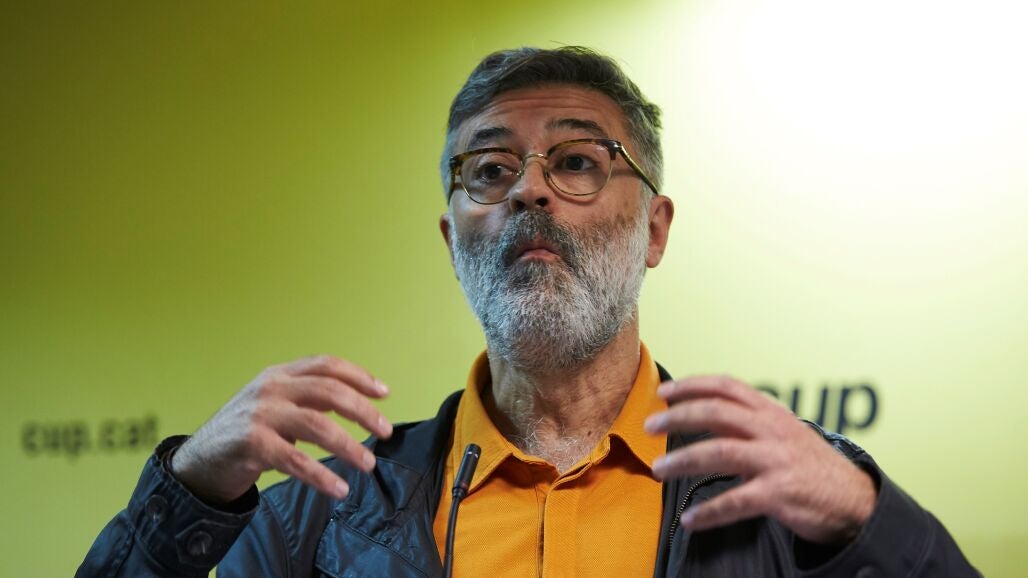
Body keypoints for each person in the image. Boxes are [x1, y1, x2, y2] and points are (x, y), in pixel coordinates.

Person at [78, 46, 979, 577]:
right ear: (452, 240)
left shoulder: (790, 496)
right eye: (490, 170)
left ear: (655, 229)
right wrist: (187, 495)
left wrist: (868, 521)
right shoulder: (320, 519)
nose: (528, 193)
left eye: (578, 162)